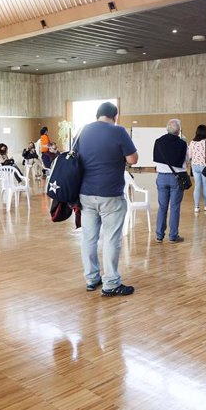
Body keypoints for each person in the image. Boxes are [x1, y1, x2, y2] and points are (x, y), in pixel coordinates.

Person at [77, 101, 137, 297]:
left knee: (89, 238)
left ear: (97, 115)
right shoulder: (118, 131)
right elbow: (133, 159)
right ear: (115, 115)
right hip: (110, 193)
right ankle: (111, 282)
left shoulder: (83, 131)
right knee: (111, 238)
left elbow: (75, 157)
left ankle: (91, 278)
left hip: (86, 193)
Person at [153, 119, 188, 243]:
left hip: (161, 177)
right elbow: (187, 159)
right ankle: (173, 236)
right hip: (176, 178)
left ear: (167, 129)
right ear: (178, 130)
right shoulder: (182, 143)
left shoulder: (158, 141)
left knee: (162, 207)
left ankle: (159, 235)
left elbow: (156, 159)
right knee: (174, 207)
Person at [188, 125, 206, 213]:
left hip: (195, 166)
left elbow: (190, 156)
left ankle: (196, 207)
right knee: (205, 187)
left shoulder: (192, 142)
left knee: (197, 186)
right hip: (205, 167)